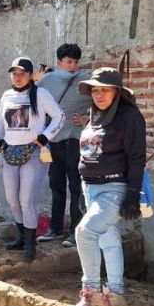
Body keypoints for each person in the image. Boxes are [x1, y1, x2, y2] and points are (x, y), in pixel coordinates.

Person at [66, 67, 146, 306]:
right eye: (95, 90)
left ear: (117, 92)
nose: (98, 95)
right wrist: (83, 185)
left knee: (85, 232)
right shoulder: (95, 115)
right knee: (107, 241)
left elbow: (136, 157)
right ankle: (117, 296)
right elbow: (89, 152)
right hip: (90, 187)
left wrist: (132, 193)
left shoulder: (129, 117)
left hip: (115, 187)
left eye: (105, 90)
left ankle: (91, 296)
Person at [0, 57, 65, 262]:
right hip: (10, 154)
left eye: (22, 73)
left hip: (33, 153)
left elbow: (59, 117)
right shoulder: (6, 95)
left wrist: (44, 136)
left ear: (31, 75)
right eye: (14, 73)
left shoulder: (41, 94)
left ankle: (31, 246)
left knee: (26, 200)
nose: (18, 77)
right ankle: (22, 237)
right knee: (13, 200)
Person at [36, 44, 91, 247]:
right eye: (68, 62)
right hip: (54, 141)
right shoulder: (46, 81)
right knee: (56, 185)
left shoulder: (87, 80)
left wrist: (87, 119)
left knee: (76, 186)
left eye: (76, 62)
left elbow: (104, 103)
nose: (72, 66)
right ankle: (55, 228)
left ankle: (75, 232)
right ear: (59, 62)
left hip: (76, 140)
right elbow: (35, 105)